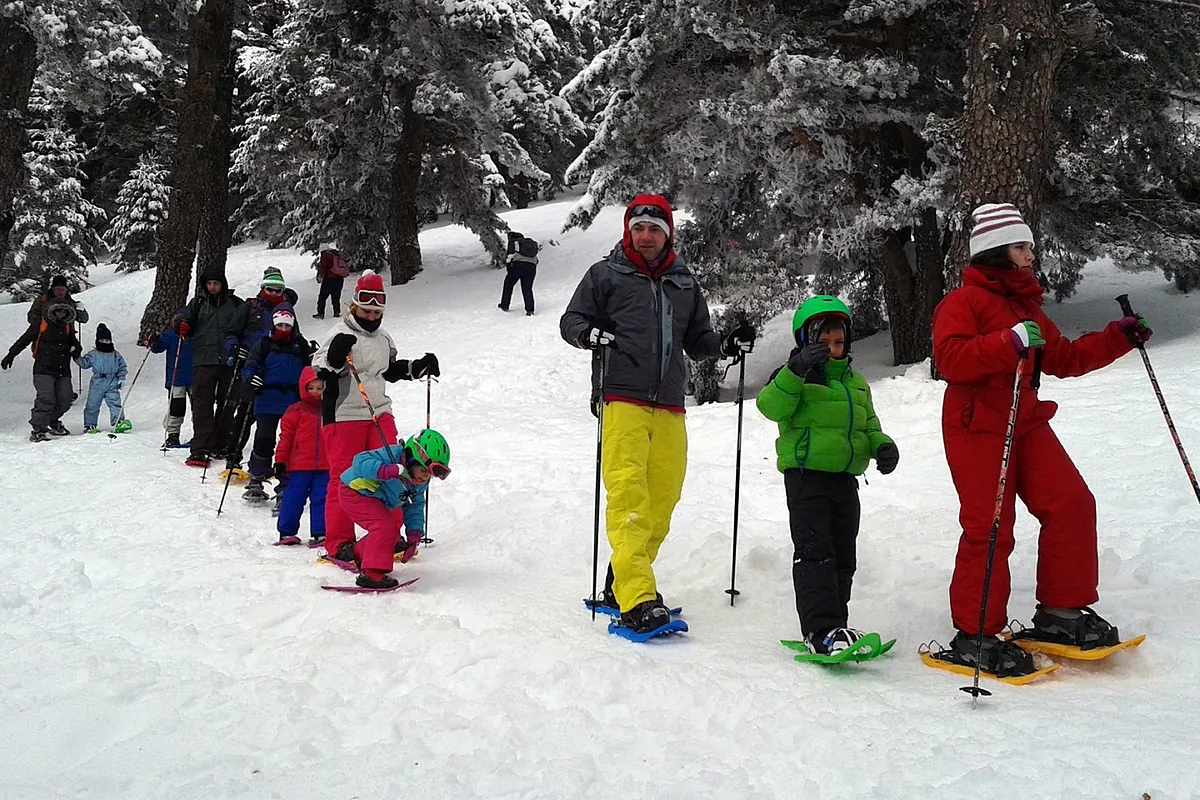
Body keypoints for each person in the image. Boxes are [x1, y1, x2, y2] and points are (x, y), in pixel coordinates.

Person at [931, 202, 1152, 678]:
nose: (1031, 254)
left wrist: (1118, 337)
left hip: (1025, 419)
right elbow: (949, 359)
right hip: (977, 424)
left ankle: (1060, 611)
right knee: (991, 525)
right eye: (1020, 246)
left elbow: (1065, 358)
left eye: (1030, 245)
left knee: (1072, 501)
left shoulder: (1026, 307)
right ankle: (976, 633)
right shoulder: (962, 303)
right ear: (994, 252)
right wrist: (1005, 343)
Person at [559, 193, 756, 635]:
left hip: (669, 401)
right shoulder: (605, 275)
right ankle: (637, 597)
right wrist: (590, 334)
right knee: (629, 497)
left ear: (668, 234)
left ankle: (619, 584)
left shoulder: (684, 282)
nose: (646, 236)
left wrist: (726, 345)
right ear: (628, 231)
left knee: (662, 500)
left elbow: (699, 338)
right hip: (621, 396)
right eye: (639, 228)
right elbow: (571, 321)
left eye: (654, 229)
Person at [756, 296, 899, 656]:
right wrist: (796, 370)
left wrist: (882, 446)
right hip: (806, 479)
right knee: (815, 553)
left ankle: (838, 625)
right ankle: (820, 630)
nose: (833, 350)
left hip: (845, 481)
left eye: (839, 343)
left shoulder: (856, 383)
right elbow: (770, 406)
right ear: (804, 341)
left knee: (843, 555)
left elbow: (867, 424)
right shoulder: (792, 377)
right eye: (823, 343)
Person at [312, 270, 441, 561]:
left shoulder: (383, 338)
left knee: (393, 470)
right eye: (365, 310)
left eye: (376, 311)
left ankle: (389, 535)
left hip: (379, 411)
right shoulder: (338, 333)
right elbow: (320, 370)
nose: (371, 316)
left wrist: (418, 367)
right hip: (344, 414)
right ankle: (339, 543)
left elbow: (390, 370)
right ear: (354, 305)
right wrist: (334, 357)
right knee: (345, 478)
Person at [333, 429, 450, 589]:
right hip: (353, 491)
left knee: (392, 535)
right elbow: (359, 462)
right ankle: (371, 574)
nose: (425, 477)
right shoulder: (391, 455)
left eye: (429, 474)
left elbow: (415, 505)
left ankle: (359, 553)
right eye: (423, 470)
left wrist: (414, 533)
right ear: (410, 458)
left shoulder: (419, 482)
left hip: (373, 499)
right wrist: (385, 470)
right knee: (383, 527)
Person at [221, 267, 302, 471]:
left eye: (278, 290)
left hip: (278, 368)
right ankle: (233, 454)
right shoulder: (251, 307)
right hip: (251, 363)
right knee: (246, 411)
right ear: (263, 288)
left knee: (273, 418)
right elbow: (232, 332)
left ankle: (278, 463)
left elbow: (295, 336)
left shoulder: (287, 311)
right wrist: (234, 348)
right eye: (271, 289)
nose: (274, 293)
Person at [239, 303, 309, 502]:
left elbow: (308, 371)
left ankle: (285, 482)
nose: (284, 330)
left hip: (292, 400)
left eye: (288, 326)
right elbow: (249, 366)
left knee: (290, 443)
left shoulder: (300, 345)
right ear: (273, 324)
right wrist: (251, 377)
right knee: (264, 439)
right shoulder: (263, 344)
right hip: (267, 398)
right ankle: (256, 478)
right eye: (280, 325)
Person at [173, 272, 243, 467]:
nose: (212, 287)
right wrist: (182, 326)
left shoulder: (236, 303)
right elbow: (181, 322)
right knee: (202, 404)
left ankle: (221, 443)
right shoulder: (197, 303)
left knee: (227, 403)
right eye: (209, 283)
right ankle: (201, 448)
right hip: (203, 360)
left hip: (229, 360)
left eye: (216, 283)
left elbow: (247, 324)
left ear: (223, 284)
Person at [3, 298, 82, 441]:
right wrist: (11, 354)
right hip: (43, 368)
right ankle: (38, 429)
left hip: (63, 369)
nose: (61, 314)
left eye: (64, 311)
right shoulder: (41, 324)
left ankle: (51, 421)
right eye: (58, 310)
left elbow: (75, 344)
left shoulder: (67, 326)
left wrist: (76, 350)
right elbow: (24, 340)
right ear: (52, 310)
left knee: (65, 399)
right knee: (46, 399)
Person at [274, 367, 329, 546]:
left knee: (322, 498)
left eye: (319, 388)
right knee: (293, 498)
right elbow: (286, 437)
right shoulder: (295, 410)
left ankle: (321, 532)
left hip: (325, 465)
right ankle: (286, 531)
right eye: (310, 388)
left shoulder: (331, 410)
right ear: (303, 388)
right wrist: (280, 460)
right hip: (298, 466)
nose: (315, 392)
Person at [148, 311, 194, 448]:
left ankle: (200, 433)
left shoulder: (196, 335)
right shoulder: (171, 334)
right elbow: (158, 348)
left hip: (196, 377)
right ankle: (173, 435)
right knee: (176, 407)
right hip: (176, 378)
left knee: (198, 407)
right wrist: (154, 341)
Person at [76, 323, 128, 434]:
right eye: (102, 340)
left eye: (107, 340)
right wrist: (76, 356)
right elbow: (84, 364)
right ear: (98, 341)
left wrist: (121, 378)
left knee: (115, 402)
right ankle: (90, 425)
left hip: (112, 381)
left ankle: (118, 422)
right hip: (98, 382)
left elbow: (122, 367)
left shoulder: (115, 355)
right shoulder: (94, 354)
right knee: (93, 404)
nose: (105, 343)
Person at [498, 231, 538, 316]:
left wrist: (510, 271)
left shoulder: (514, 243)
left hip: (518, 266)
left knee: (508, 285)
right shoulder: (527, 245)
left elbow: (509, 258)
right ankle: (530, 310)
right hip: (532, 267)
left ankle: (504, 305)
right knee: (527, 289)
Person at [314, 242, 349, 319]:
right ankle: (336, 312)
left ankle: (320, 313)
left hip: (329, 279)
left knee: (322, 297)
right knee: (336, 297)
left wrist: (320, 275)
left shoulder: (326, 255)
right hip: (339, 279)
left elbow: (323, 266)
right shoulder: (337, 254)